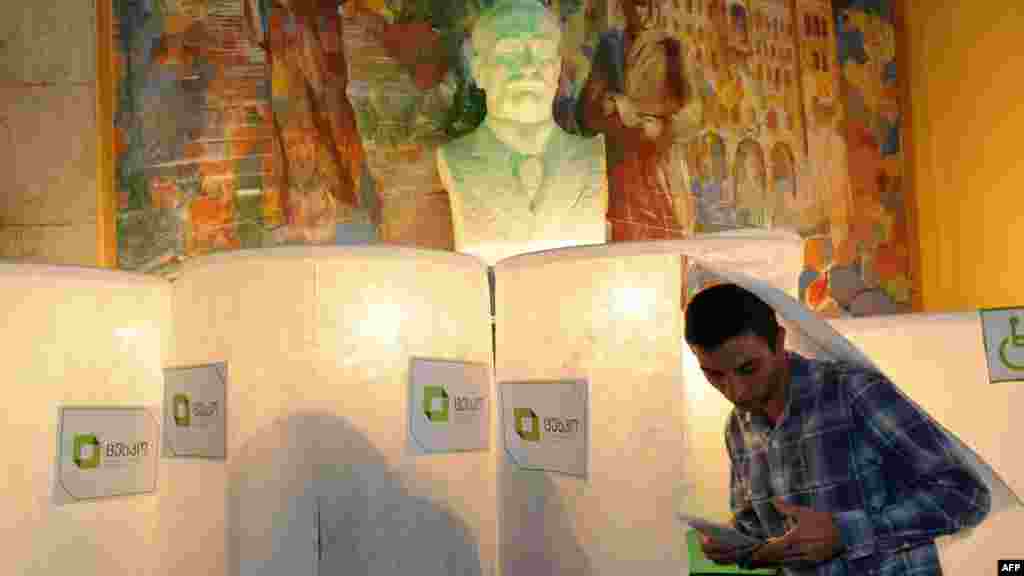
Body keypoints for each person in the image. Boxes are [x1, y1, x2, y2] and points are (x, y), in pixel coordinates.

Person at [684, 283, 991, 575]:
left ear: (778, 342)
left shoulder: (854, 393)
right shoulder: (737, 427)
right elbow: (758, 525)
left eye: (748, 369)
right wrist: (734, 543)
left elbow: (966, 495)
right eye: (713, 375)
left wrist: (846, 533)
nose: (735, 391)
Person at [436, 0, 608, 265]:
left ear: (557, 68)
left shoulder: (591, 158)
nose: (529, 66)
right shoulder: (456, 160)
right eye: (511, 51)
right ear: (479, 71)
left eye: (541, 52)